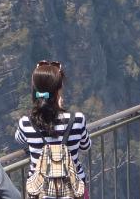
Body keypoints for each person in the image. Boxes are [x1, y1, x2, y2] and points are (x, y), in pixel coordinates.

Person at [16, 60, 92, 196]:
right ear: (59, 91)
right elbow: (86, 146)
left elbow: (20, 139)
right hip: (73, 190)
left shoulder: (26, 122)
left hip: (40, 191)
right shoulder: (77, 119)